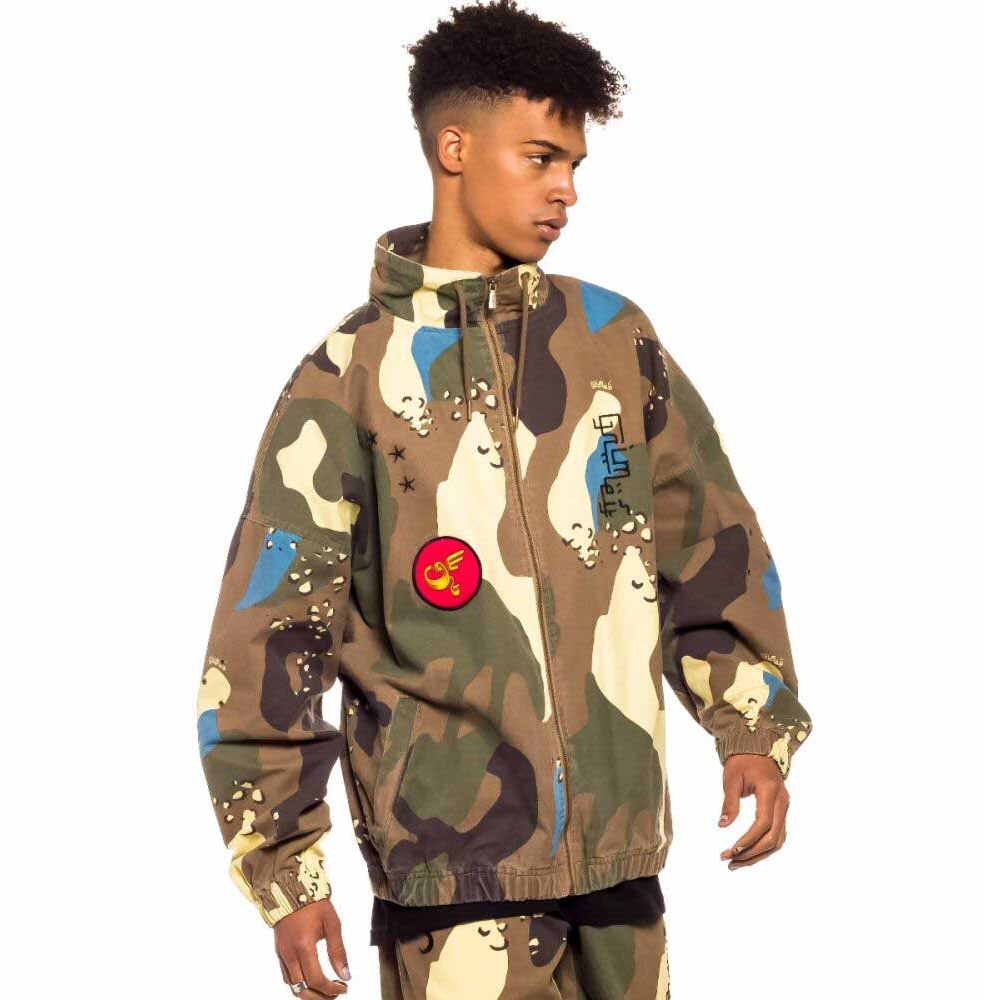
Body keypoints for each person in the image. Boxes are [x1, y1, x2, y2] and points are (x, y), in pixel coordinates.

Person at [195, 2, 814, 996]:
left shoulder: (612, 342)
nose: (566, 189)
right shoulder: (347, 378)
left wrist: (750, 725)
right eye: (540, 158)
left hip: (621, 874)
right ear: (454, 149)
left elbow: (707, 541)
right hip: (454, 887)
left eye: (575, 164)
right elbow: (270, 638)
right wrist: (286, 872)